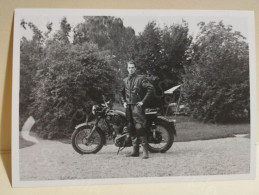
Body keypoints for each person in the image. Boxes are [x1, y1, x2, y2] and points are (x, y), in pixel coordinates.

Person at [120, 61, 154, 159]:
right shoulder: (125, 80)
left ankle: (145, 151)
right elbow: (121, 92)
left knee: (139, 127)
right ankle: (135, 150)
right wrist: (124, 102)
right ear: (127, 69)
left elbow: (150, 88)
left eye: (132, 67)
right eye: (129, 67)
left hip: (137, 107)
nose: (131, 69)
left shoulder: (141, 79)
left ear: (135, 68)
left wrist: (143, 101)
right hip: (128, 107)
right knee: (130, 127)